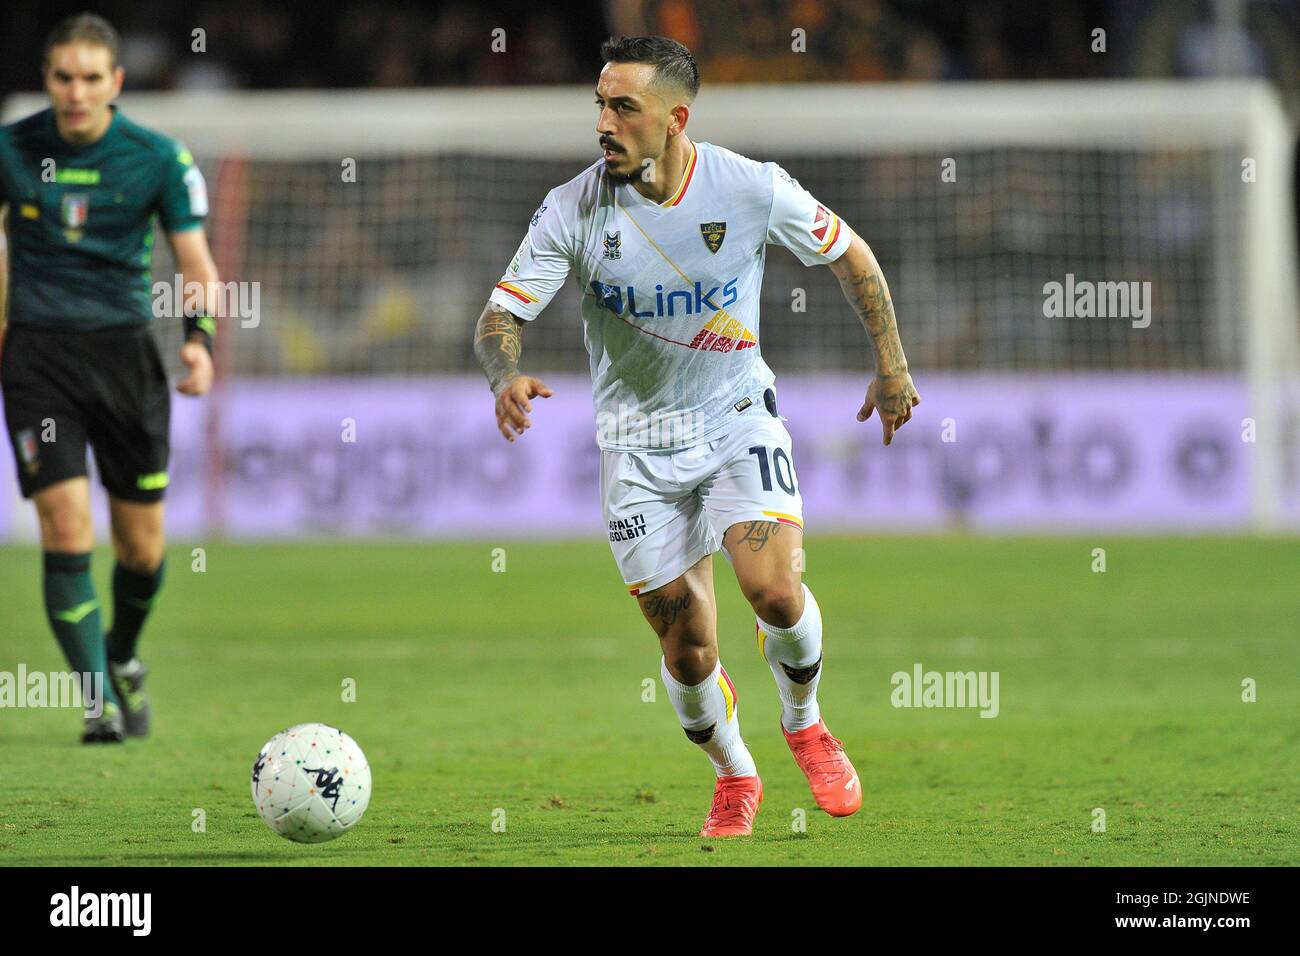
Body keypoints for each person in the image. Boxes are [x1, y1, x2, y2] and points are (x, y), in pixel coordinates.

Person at [473, 36, 919, 836]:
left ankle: (805, 720)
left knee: (776, 592)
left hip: (734, 418)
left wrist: (891, 364)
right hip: (636, 447)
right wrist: (503, 375)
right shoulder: (572, 207)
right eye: (599, 106)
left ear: (675, 119)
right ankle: (735, 773)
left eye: (624, 107)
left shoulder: (748, 188)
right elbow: (500, 314)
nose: (604, 123)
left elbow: (852, 256)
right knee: (689, 653)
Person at [0, 14, 220, 742]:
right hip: (37, 359)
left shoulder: (156, 157)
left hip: (126, 361)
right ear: (47, 79)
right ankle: (96, 703)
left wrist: (198, 344)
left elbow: (196, 266)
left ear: (116, 83)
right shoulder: (10, 149)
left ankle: (122, 655)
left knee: (142, 549)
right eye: (64, 76)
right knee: (64, 526)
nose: (76, 91)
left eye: (92, 78)